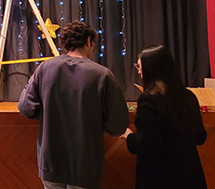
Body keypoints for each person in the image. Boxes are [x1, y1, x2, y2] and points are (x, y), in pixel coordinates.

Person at [17, 21, 129, 189]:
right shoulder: (102, 75)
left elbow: (25, 106)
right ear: (89, 41)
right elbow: (118, 124)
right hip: (85, 167)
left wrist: (49, 111)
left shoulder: (45, 68)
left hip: (51, 163)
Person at [120, 45, 207, 189]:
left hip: (160, 176)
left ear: (151, 69)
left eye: (140, 67)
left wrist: (128, 136)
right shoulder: (189, 96)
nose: (139, 71)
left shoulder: (149, 99)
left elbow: (148, 143)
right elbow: (200, 137)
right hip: (190, 175)